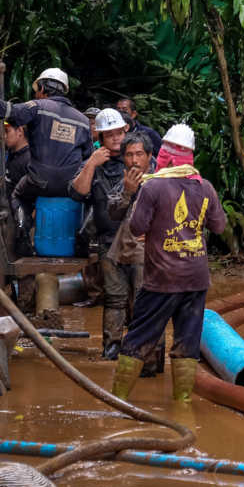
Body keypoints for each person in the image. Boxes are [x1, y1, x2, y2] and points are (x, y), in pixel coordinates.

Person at [110, 125, 227, 403]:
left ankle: (117, 402)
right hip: (196, 279)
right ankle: (182, 405)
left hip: (162, 279)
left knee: (138, 338)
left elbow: (137, 228)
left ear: (166, 155)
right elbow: (219, 227)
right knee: (187, 342)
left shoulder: (153, 186)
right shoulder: (205, 186)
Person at [0, 67, 94, 257]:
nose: (36, 93)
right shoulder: (82, 120)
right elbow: (88, 157)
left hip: (40, 181)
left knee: (18, 196)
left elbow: (7, 111)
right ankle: (82, 236)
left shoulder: (38, 107)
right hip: (70, 185)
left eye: (37, 89)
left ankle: (23, 236)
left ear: (42, 88)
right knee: (94, 194)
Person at [99, 131, 157, 362]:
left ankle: (147, 355)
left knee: (145, 301)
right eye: (130, 155)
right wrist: (127, 192)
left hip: (148, 252)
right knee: (114, 299)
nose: (134, 160)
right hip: (118, 248)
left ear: (149, 156)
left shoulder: (161, 179)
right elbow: (112, 212)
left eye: (139, 154)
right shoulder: (124, 178)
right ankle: (111, 346)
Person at [70, 108, 127, 260]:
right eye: (110, 135)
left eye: (119, 133)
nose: (116, 139)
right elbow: (77, 193)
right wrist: (91, 164)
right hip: (106, 242)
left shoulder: (137, 157)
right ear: (101, 139)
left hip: (136, 241)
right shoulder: (93, 162)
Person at [3, 117, 30, 198]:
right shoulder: (12, 155)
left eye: (7, 131)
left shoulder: (28, 160)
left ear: (19, 131)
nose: (4, 136)